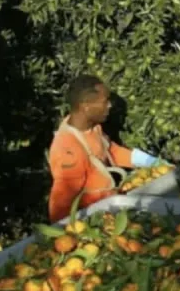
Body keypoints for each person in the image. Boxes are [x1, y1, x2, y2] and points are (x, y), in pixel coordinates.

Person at [47, 75, 166, 222]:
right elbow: (61, 201)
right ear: (86, 106)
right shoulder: (68, 150)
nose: (109, 105)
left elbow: (111, 151)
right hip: (94, 218)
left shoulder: (93, 127)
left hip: (111, 206)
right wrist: (64, 232)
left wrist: (149, 161)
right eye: (105, 101)